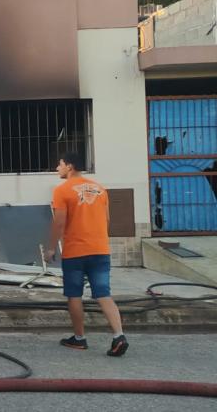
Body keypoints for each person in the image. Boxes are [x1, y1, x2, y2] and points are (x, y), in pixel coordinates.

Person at [45, 152, 129, 357]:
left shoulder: (62, 190)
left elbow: (59, 222)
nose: (58, 168)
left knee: (74, 294)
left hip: (75, 251)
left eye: (60, 164)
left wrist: (51, 248)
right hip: (100, 249)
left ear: (70, 167)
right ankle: (119, 335)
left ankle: (79, 338)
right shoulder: (100, 189)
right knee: (103, 293)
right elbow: (107, 219)